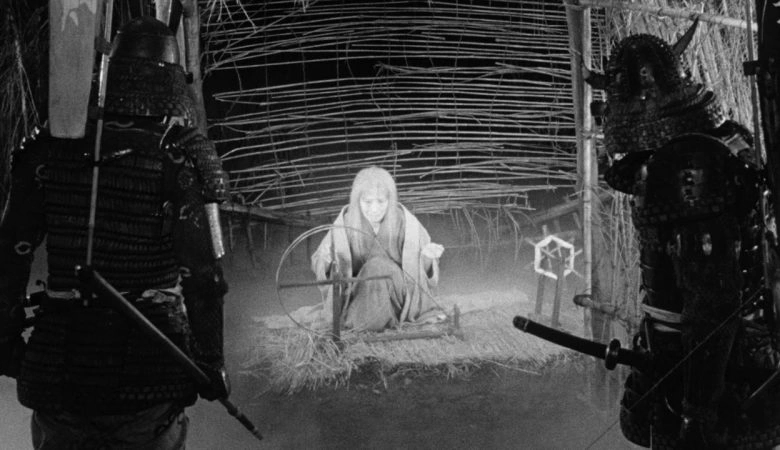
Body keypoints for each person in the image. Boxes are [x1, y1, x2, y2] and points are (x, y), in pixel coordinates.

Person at [0, 17, 229, 449]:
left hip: (59, 371)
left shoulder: (49, 147)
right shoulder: (180, 157)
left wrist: (5, 339)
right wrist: (211, 360)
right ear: (171, 81)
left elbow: (9, 254)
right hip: (148, 371)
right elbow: (204, 277)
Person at [310, 166, 445, 332]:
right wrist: (325, 260)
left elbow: (419, 274)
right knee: (372, 272)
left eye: (381, 201)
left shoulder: (404, 222)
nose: (374, 209)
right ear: (357, 201)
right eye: (367, 202)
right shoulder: (346, 222)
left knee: (378, 266)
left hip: (397, 296)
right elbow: (321, 263)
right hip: (360, 294)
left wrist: (427, 257)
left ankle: (370, 320)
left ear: (390, 200)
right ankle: (368, 319)